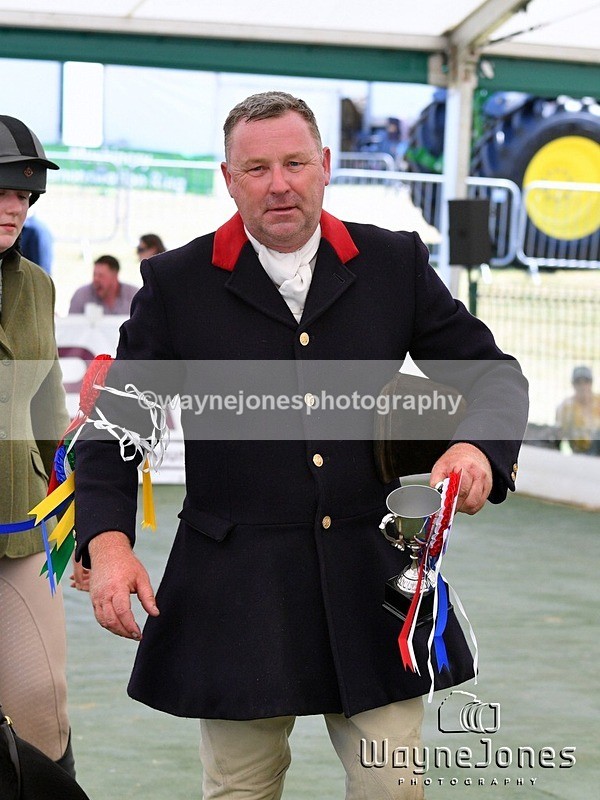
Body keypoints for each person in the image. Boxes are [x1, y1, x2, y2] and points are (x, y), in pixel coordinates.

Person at [73, 92, 528, 800]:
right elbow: (115, 428)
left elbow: (494, 377)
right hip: (235, 588)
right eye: (257, 168)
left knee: (394, 787)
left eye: (294, 163)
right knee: (240, 791)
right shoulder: (177, 284)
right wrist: (108, 543)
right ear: (228, 179)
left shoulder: (393, 262)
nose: (279, 183)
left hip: (372, 580)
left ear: (325, 166)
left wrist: (479, 447)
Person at [0, 114, 76, 776]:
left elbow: (48, 408)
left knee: (44, 706)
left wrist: (74, 525)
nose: (12, 207)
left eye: (21, 194)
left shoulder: (38, 286)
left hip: (19, 526)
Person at [68, 254, 138, 315]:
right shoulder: (81, 295)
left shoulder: (134, 295)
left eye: (101, 276)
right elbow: (71, 325)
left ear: (115, 276)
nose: (96, 279)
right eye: (94, 275)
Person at [555, 365, 600, 455]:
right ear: (573, 385)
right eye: (578, 382)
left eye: (586, 382)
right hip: (580, 452)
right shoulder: (566, 408)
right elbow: (559, 435)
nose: (583, 386)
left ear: (591, 383)